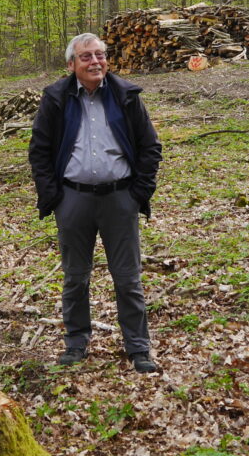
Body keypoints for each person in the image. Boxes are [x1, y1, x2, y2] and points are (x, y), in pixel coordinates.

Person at [28, 33, 163, 373]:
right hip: (73, 199)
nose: (95, 62)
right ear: (71, 65)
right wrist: (55, 197)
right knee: (76, 277)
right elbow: (39, 152)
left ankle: (138, 347)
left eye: (100, 55)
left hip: (120, 199)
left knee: (128, 278)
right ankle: (76, 343)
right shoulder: (56, 98)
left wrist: (138, 193)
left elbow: (150, 147)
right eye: (86, 57)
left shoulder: (125, 96)